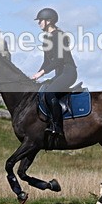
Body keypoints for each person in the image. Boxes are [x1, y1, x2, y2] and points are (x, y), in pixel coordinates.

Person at [30, 8, 77, 138]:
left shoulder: (59, 36)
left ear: (49, 21)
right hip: (60, 74)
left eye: (40, 20)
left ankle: (58, 127)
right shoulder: (47, 39)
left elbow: (59, 60)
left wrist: (41, 73)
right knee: (42, 90)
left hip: (68, 72)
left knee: (49, 92)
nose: (39, 23)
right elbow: (46, 62)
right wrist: (36, 75)